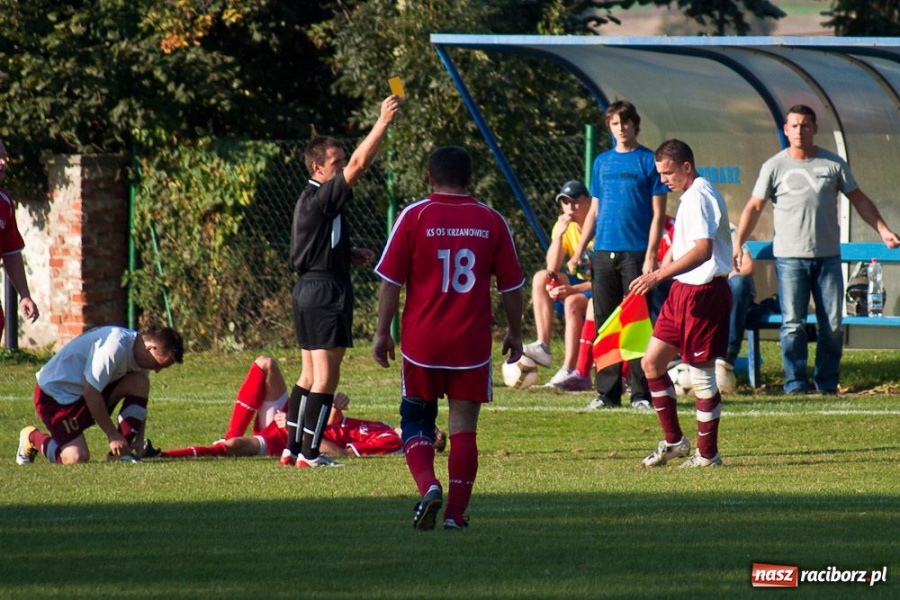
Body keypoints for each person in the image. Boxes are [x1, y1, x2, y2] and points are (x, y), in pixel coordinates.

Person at [373, 146, 525, 531]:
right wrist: (515, 333)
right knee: (464, 428)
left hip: (423, 344)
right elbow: (512, 287)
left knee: (416, 417)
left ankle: (428, 486)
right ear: (470, 179)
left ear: (429, 177)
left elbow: (390, 282)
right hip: (470, 347)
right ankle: (456, 516)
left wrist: (382, 333)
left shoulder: (415, 215)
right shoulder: (491, 221)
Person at [734, 104, 900, 395]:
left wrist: (884, 230)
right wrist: (738, 244)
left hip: (827, 259)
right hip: (789, 259)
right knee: (792, 325)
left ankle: (826, 383)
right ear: (786, 130)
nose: (799, 130)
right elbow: (754, 206)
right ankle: (795, 384)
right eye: (794, 126)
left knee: (833, 325)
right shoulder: (774, 166)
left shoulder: (832, 164)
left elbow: (859, 199)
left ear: (814, 128)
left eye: (805, 125)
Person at [285, 94, 401, 468]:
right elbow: (359, 163)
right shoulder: (322, 195)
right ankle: (311, 452)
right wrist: (382, 122)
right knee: (326, 379)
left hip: (307, 289)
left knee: (306, 374)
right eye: (334, 164)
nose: (341, 169)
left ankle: (291, 447)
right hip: (325, 293)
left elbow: (312, 243)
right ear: (317, 167)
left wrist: (348, 253)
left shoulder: (310, 199)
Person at [629, 139, 732, 468]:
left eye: (668, 172)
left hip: (704, 293)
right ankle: (674, 441)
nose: (664, 180)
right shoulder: (690, 195)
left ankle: (707, 454)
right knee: (651, 364)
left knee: (701, 377)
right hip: (681, 292)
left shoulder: (701, 194)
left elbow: (703, 250)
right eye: (660, 173)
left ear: (687, 166)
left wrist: (659, 274)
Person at [145, 355, 444, 460]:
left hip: (293, 435)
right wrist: (336, 412)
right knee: (265, 365)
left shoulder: (391, 441)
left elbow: (339, 452)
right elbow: (338, 430)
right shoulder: (384, 427)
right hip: (296, 421)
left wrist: (297, 431)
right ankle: (226, 435)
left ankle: (159, 454)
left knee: (236, 447)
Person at [570, 100, 669, 410]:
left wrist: (651, 255)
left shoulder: (647, 160)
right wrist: (578, 251)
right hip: (602, 252)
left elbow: (658, 214)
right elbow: (595, 210)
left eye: (626, 122)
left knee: (637, 322)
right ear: (609, 127)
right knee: (605, 323)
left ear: (634, 125)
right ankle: (607, 393)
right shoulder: (601, 162)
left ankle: (641, 394)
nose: (621, 128)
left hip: (636, 253)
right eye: (615, 123)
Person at [16, 326, 184, 465]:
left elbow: (140, 396)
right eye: (158, 364)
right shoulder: (115, 346)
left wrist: (139, 438)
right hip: (54, 396)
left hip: (84, 394)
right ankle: (31, 437)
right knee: (75, 458)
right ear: (150, 348)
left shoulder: (141, 357)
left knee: (140, 382)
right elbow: (91, 392)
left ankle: (121, 455)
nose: (157, 369)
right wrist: (112, 434)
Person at [522, 180, 593, 391]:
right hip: (578, 284)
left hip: (599, 287)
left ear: (588, 202)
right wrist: (559, 236)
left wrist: (572, 290)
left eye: (576, 202)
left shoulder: (598, 226)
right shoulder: (564, 226)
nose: (570, 207)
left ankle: (569, 368)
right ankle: (543, 345)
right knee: (540, 277)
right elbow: (552, 268)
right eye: (565, 202)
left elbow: (606, 279)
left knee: (572, 302)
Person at [0, 139, 40, 338]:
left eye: (4, 157)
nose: (3, 163)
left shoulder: (4, 203)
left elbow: (11, 252)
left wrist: (24, 295)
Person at [715, 224, 756, 394]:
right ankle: (680, 359)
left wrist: (730, 273)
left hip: (730, 290)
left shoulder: (728, 229)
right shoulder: (689, 228)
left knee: (739, 283)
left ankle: (727, 355)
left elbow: (748, 266)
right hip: (705, 289)